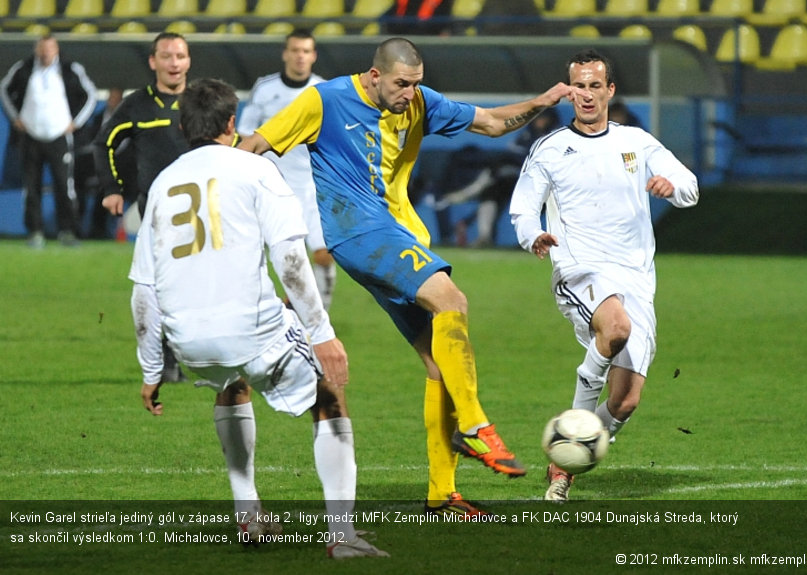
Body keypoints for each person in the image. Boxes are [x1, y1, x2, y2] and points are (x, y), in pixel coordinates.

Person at [238, 37, 588, 515]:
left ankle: (441, 496)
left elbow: (487, 122)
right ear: (375, 75)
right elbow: (256, 145)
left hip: (399, 235)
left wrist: (541, 102)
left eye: (416, 84)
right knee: (452, 300)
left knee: (438, 363)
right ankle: (474, 425)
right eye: (402, 84)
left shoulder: (419, 101)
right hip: (358, 233)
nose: (410, 94)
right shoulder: (324, 100)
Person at [130, 78, 388, 559]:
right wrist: (323, 334)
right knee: (329, 396)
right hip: (252, 330)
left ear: (183, 125)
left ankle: (248, 516)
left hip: (190, 344)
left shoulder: (163, 183)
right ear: (233, 123)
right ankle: (342, 537)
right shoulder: (255, 169)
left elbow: (143, 291)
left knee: (233, 382)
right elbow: (291, 259)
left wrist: (150, 370)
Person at [509, 49, 699, 501]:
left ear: (610, 91)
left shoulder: (637, 142)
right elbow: (522, 207)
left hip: (635, 276)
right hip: (580, 268)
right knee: (615, 328)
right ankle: (564, 459)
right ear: (569, 90)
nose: (587, 95)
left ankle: (578, 448)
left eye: (596, 86)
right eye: (579, 86)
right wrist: (532, 235)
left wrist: (672, 190)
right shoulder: (551, 148)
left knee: (626, 400)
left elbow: (690, 186)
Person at [93, 31, 191, 383]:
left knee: (201, 286)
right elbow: (103, 143)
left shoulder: (200, 102)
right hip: (157, 214)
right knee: (161, 289)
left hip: (202, 215)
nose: (174, 63)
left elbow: (230, 142)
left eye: (180, 56)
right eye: (167, 56)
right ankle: (167, 359)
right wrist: (112, 189)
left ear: (188, 61)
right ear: (153, 62)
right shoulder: (137, 105)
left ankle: (203, 355)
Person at [237, 29, 336, 310]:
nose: (300, 56)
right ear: (285, 54)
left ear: (313, 56)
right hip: (273, 186)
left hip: (313, 186)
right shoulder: (265, 89)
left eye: (306, 51)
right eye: (295, 50)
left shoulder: (323, 91)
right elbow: (246, 134)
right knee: (273, 254)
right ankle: (268, 309)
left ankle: (320, 313)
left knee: (323, 254)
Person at [0, 34, 97, 248]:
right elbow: (4, 89)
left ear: (56, 50)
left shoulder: (71, 69)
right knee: (31, 186)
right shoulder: (23, 68)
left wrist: (76, 122)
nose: (45, 54)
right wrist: (15, 118)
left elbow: (90, 94)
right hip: (30, 136)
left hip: (59, 137)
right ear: (36, 50)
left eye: (49, 49)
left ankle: (68, 231)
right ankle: (35, 232)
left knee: (64, 185)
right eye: (42, 49)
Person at [435, 108, 561, 247]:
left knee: (536, 202)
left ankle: (533, 240)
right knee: (491, 191)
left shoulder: (557, 137)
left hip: (542, 184)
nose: (540, 121)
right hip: (513, 177)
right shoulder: (526, 134)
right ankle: (484, 237)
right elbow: (512, 155)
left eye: (544, 118)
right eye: (538, 118)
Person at [74, 87, 127, 239]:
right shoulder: (97, 118)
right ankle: (76, 225)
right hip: (95, 164)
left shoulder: (127, 121)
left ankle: (99, 230)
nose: (112, 101)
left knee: (105, 188)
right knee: (79, 180)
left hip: (118, 165)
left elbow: (125, 147)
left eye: (115, 98)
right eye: (110, 98)